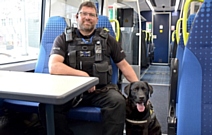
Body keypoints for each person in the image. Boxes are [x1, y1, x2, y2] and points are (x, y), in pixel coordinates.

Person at [39, 1, 138, 135]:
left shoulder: (108, 40)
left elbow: (124, 66)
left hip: (101, 91)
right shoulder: (62, 39)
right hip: (70, 91)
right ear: (77, 16)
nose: (87, 17)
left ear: (97, 19)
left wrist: (138, 88)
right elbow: (54, 67)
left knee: (118, 102)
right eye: (84, 14)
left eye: (91, 15)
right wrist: (84, 77)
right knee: (47, 106)